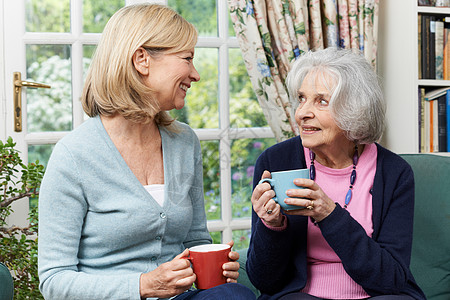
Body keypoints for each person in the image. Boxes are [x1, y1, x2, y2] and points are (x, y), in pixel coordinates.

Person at [37, 4, 255, 300]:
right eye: (187, 59)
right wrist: (142, 285)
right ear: (142, 59)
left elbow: (196, 240)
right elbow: (54, 281)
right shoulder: (74, 156)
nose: (196, 74)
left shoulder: (184, 142)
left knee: (235, 295)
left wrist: (215, 267)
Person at [247, 48, 426, 300]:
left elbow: (391, 280)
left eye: (321, 101)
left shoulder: (394, 173)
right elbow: (265, 280)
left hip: (376, 295)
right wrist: (272, 226)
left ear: (355, 111)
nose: (302, 113)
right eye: (301, 99)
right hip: (302, 296)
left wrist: (329, 214)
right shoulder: (275, 162)